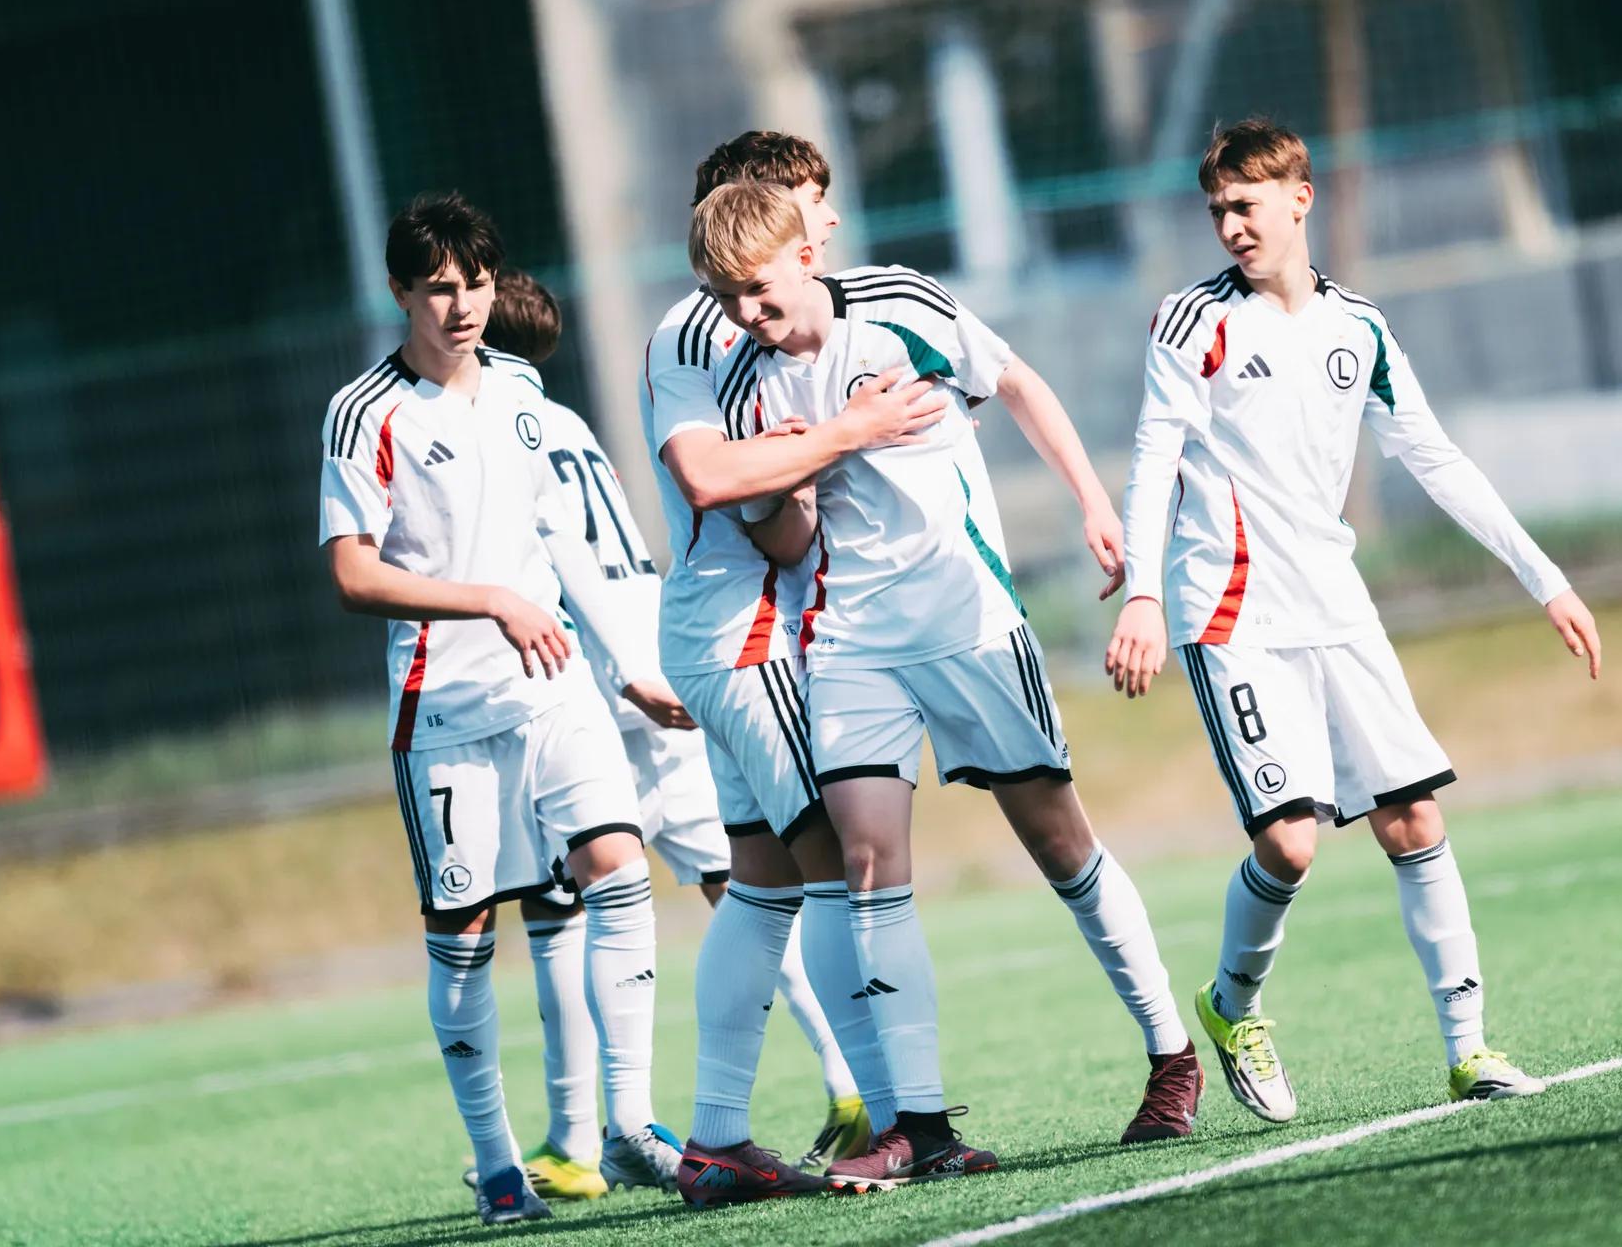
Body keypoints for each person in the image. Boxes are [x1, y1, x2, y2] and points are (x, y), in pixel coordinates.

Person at [685, 179, 1201, 1191]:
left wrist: (1095, 503)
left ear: (800, 251)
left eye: (755, 287)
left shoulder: (898, 306)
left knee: (1062, 842)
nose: (747, 311)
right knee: (870, 862)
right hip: (846, 641)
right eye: (724, 296)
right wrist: (783, 485)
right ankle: (919, 1124)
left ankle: (1171, 1053)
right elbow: (791, 542)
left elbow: (1017, 383)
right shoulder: (746, 385)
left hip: (967, 620)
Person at [1105, 118, 1603, 1123]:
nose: (1231, 227)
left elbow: (1434, 455)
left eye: (1246, 205)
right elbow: (1156, 454)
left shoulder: (1358, 327)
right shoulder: (1188, 321)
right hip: (1231, 613)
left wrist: (1544, 577)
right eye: (1217, 211)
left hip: (1337, 606)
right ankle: (1233, 1003)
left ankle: (1468, 1052)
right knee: (1290, 842)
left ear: (1301, 196)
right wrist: (1147, 593)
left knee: (1414, 816)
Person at [317, 194, 678, 1225]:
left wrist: (629, 667)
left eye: (475, 282)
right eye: (439, 286)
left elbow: (567, 538)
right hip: (446, 709)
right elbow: (352, 575)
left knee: (618, 866)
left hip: (555, 683)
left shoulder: (521, 388)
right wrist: (490, 598)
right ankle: (501, 1165)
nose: (463, 303)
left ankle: (633, 1120)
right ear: (400, 291)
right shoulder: (363, 412)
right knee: (465, 929)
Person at [479, 267, 870, 1188]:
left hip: (595, 676)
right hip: (655, 650)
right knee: (733, 885)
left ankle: (594, 1134)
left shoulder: (492, 422)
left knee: (584, 897)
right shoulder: (569, 424)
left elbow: (550, 552)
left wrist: (620, 666)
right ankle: (839, 1086)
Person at [643, 132, 953, 1205]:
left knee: (763, 883)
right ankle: (899, 1122)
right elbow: (712, 475)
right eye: (801, 204)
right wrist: (854, 426)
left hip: (728, 626)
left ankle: (719, 1137)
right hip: (749, 630)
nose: (819, 224)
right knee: (835, 870)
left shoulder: (772, 314)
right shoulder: (706, 329)